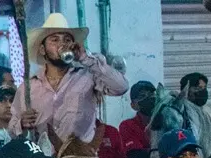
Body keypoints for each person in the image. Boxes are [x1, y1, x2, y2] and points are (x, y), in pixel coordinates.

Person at [12, 13, 128, 151]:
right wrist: (21, 124)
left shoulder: (88, 77)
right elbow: (11, 129)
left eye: (67, 40)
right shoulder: (28, 87)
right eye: (55, 40)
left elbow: (121, 87)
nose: (62, 44)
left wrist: (86, 58)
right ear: (43, 49)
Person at [120, 80, 157, 158]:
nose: (149, 98)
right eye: (142, 96)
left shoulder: (166, 122)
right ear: (133, 105)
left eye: (152, 94)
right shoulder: (127, 125)